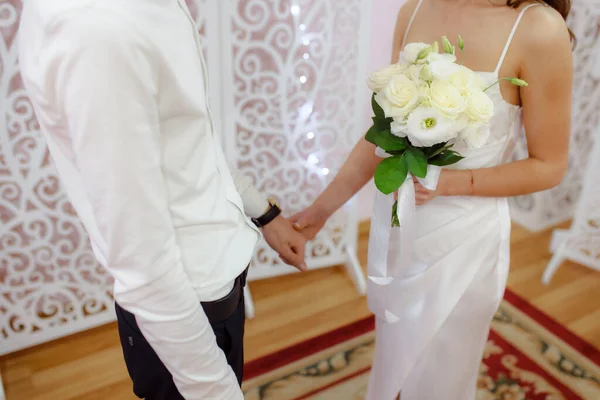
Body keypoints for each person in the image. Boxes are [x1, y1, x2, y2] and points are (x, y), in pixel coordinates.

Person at [18, 1, 308, 399]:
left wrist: (263, 211)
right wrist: (216, 391)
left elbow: (186, 143)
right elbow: (140, 257)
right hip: (184, 310)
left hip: (215, 282)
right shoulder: (99, 31)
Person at [292, 0, 574, 398]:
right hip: (399, 225)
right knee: (395, 361)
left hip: (464, 243)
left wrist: (448, 184)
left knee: (441, 377)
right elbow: (383, 137)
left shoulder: (538, 28)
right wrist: (318, 214)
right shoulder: (415, 7)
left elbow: (549, 165)